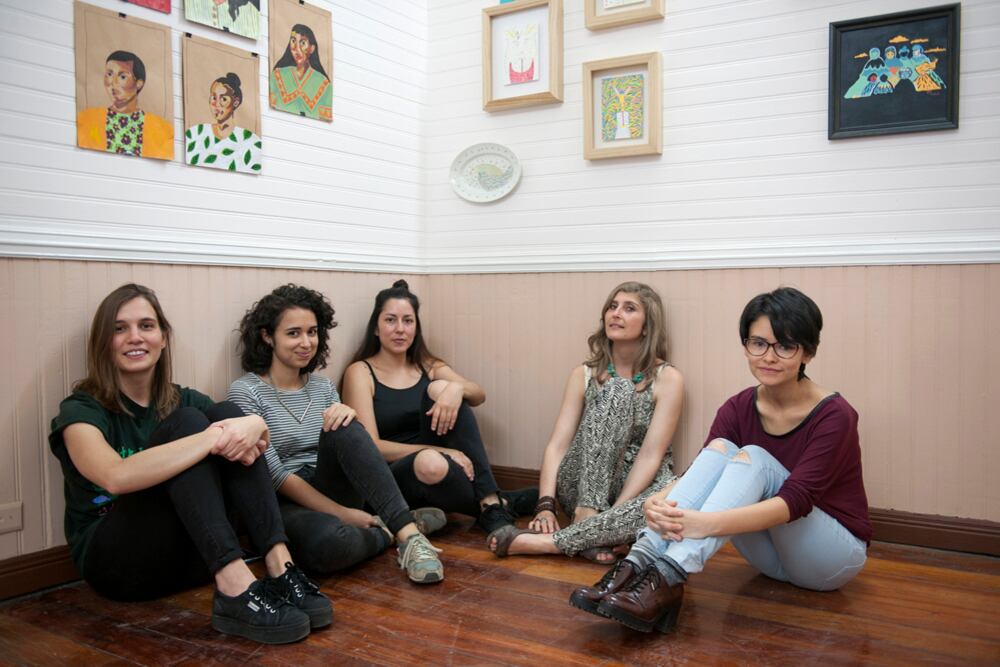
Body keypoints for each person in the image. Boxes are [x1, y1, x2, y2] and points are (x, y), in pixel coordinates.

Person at [572, 287, 871, 633]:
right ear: (745, 346)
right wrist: (657, 501)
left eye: (785, 346)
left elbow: (796, 501)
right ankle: (636, 566)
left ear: (808, 352)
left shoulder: (835, 415)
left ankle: (670, 575)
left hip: (830, 559)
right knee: (720, 450)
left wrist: (704, 524)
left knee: (755, 457)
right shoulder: (738, 406)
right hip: (771, 561)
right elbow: (698, 473)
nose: (769, 357)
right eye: (758, 343)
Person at [48, 284, 330, 644]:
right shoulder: (81, 409)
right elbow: (114, 477)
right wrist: (211, 438)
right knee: (191, 424)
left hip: (193, 556)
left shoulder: (184, 398)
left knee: (226, 413)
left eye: (146, 326)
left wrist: (255, 423)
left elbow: (251, 440)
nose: (135, 337)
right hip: (118, 565)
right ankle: (234, 588)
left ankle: (280, 568)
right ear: (103, 341)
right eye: (119, 328)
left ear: (163, 337)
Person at [227, 284, 446, 584]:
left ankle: (409, 537)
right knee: (329, 545)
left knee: (345, 422)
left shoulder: (324, 387)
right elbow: (275, 477)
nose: (306, 343)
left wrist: (348, 416)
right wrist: (343, 514)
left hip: (333, 483)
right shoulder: (246, 392)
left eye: (312, 332)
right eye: (293, 333)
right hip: (284, 500)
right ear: (267, 336)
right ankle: (388, 530)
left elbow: (351, 447)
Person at [486, 282, 683, 563]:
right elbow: (558, 445)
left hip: (637, 486)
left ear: (647, 326)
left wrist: (616, 512)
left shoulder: (669, 379)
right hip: (581, 482)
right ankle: (591, 517)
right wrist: (545, 505)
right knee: (618, 389)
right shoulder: (584, 374)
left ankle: (558, 540)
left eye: (629, 308)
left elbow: (651, 455)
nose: (616, 313)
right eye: (612, 307)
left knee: (674, 501)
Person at [341, 280, 536, 536]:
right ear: (376, 328)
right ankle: (503, 502)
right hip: (394, 475)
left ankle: (491, 502)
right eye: (390, 320)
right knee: (431, 461)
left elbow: (478, 394)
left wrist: (455, 390)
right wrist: (441, 451)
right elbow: (371, 446)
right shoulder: (360, 372)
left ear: (416, 327)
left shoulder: (426, 365)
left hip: (440, 468)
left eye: (408, 321)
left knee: (441, 388)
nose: (400, 329)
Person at [77, 51, 173, 159]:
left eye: (122, 77)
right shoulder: (88, 119)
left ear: (139, 84)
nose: (113, 83)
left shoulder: (160, 128)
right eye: (109, 74)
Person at [185, 72, 262, 173]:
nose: (217, 104)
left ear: (235, 102)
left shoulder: (251, 141)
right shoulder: (195, 134)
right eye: (213, 98)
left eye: (223, 99)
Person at [269, 24, 332, 121]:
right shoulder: (277, 76)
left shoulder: (324, 84)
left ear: (312, 48)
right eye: (293, 41)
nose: (297, 49)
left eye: (302, 43)